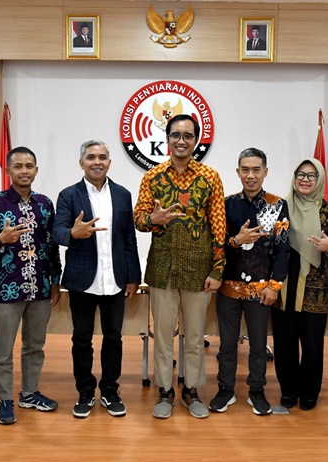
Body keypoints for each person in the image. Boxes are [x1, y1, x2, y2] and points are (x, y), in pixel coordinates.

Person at [134, 114, 226, 419]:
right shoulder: (152, 177)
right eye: (176, 135)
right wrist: (152, 219)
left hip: (199, 269)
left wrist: (217, 270)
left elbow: (219, 225)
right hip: (163, 268)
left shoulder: (210, 177)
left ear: (196, 140)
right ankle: (165, 391)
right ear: (168, 139)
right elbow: (138, 219)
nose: (181, 141)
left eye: (188, 136)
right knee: (162, 336)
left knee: (195, 336)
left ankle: (192, 391)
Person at [53, 140, 141, 419]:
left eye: (102, 157)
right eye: (91, 157)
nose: (97, 162)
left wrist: (133, 276)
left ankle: (110, 391)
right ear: (82, 163)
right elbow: (57, 231)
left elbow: (129, 238)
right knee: (82, 339)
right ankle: (85, 391)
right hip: (83, 281)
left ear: (109, 162)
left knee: (114, 338)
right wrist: (73, 234)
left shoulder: (123, 194)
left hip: (115, 280)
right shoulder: (68, 195)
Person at [0, 146, 62, 426]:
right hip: (7, 288)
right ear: (8, 170)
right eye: (18, 166)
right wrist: (1, 238)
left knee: (35, 346)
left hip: (40, 287)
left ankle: (29, 393)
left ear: (36, 170)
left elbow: (52, 246)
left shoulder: (45, 203)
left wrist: (55, 281)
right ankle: (4, 399)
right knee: (3, 349)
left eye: (29, 166)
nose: (24, 171)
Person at [209, 148, 289, 416]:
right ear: (238, 172)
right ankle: (225, 389)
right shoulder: (226, 204)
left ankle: (257, 390)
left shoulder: (278, 205)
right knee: (227, 344)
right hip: (228, 287)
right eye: (245, 170)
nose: (250, 175)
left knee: (258, 344)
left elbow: (282, 250)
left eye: (256, 170)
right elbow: (216, 244)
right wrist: (236, 240)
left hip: (261, 289)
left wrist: (274, 285)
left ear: (265, 172)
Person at [271, 158, 328, 411]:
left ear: (319, 180)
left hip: (315, 289)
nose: (305, 179)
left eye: (312, 175)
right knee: (284, 344)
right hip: (284, 286)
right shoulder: (280, 207)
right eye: (300, 174)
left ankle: (310, 393)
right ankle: (288, 391)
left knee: (312, 346)